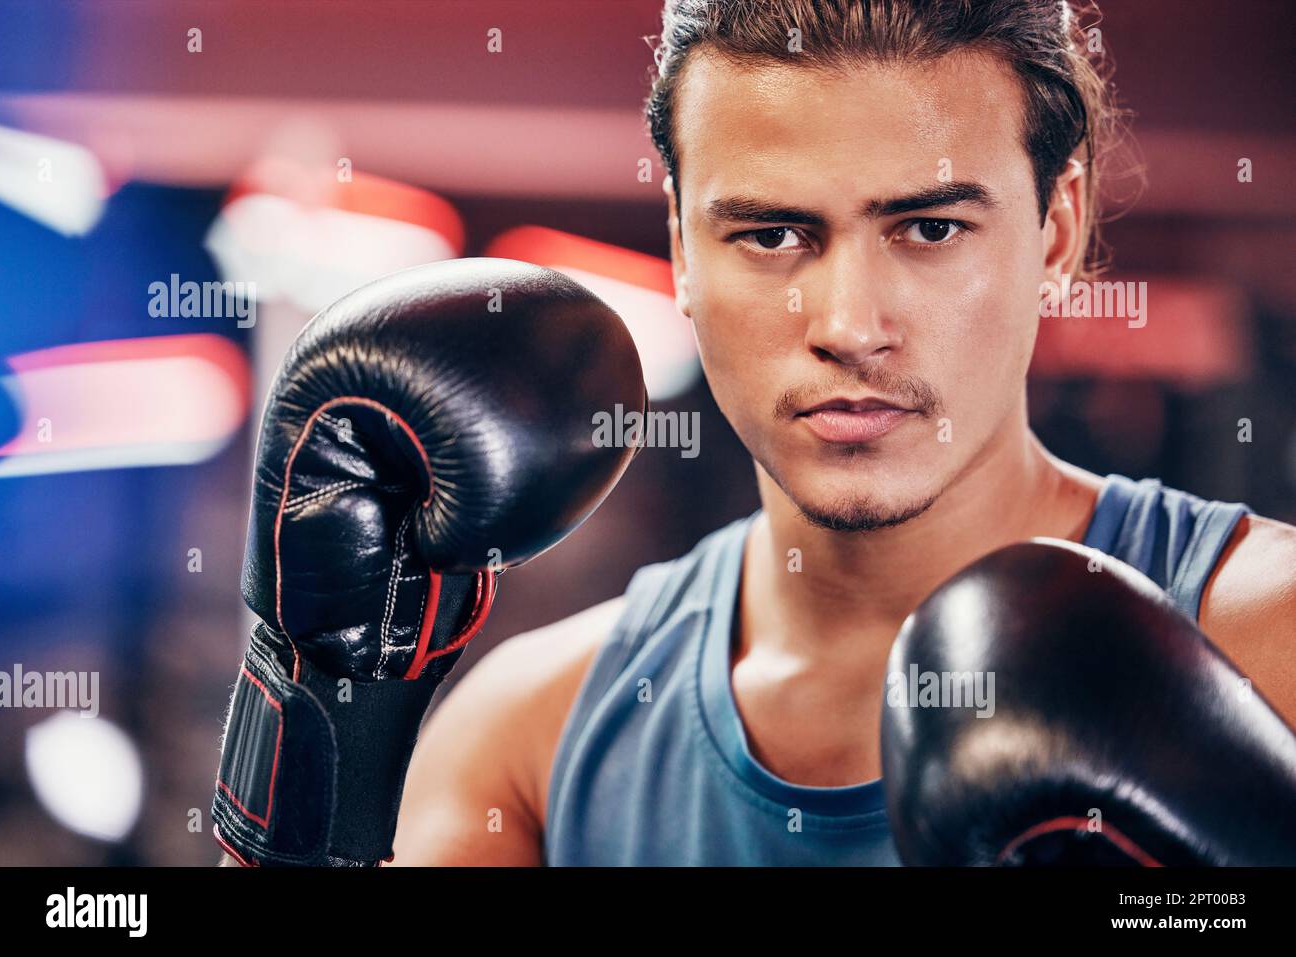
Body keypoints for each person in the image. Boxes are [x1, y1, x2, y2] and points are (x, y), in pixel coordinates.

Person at [388, 0, 1296, 866]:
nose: (850, 326)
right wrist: (310, 717)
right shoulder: (525, 744)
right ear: (679, 247)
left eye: (931, 227)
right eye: (773, 234)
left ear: (1057, 233)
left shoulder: (1271, 643)